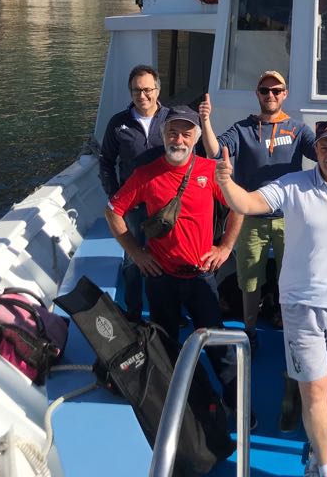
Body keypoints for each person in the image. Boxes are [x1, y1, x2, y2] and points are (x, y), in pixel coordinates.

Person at [214, 119, 327, 477]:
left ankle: (318, 459)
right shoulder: (293, 186)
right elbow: (249, 202)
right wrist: (226, 182)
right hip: (301, 305)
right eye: (324, 147)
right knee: (314, 389)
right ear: (316, 151)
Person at [104, 106, 245, 422]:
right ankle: (172, 409)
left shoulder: (210, 171)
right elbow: (113, 212)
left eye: (185, 133)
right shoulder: (145, 174)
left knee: (219, 349)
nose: (178, 139)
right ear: (164, 135)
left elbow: (239, 207)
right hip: (161, 278)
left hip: (201, 277)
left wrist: (224, 247)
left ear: (195, 137)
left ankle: (237, 409)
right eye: (172, 132)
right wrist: (137, 253)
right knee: (164, 347)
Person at [199, 71, 319, 352]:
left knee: (290, 276)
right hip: (249, 219)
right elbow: (215, 151)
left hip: (289, 218)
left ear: (285, 94)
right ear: (258, 94)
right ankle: (250, 329)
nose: (271, 95)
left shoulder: (298, 130)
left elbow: (321, 155)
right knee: (249, 280)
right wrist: (205, 121)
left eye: (277, 90)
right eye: (265, 91)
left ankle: (288, 325)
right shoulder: (242, 129)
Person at [97, 64, 170, 316]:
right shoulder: (119, 124)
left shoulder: (171, 120)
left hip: (166, 204)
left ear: (157, 90)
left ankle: (169, 310)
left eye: (148, 90)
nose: (142, 96)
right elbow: (106, 160)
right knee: (133, 259)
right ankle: (134, 312)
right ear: (130, 92)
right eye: (136, 90)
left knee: (169, 256)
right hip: (133, 206)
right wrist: (114, 195)